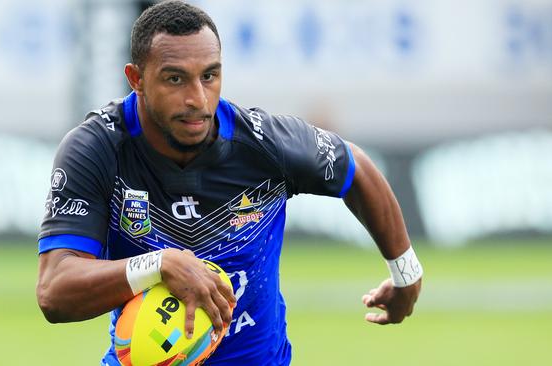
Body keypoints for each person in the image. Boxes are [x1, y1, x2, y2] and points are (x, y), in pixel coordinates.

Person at [36, 1, 423, 365]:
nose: (198, 99)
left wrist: (406, 273)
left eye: (210, 75)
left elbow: (355, 168)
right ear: (136, 79)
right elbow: (55, 291)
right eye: (175, 79)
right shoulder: (98, 148)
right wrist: (157, 265)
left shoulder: (264, 144)